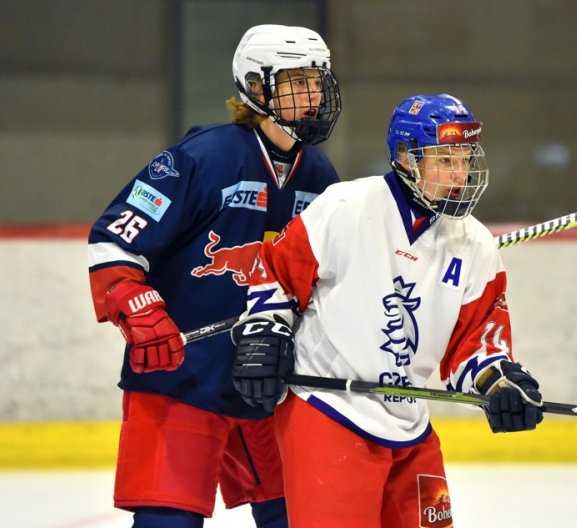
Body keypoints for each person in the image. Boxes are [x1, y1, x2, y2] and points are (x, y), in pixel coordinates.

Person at [231, 93, 544, 527]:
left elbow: (476, 344)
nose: (460, 174)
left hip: (409, 420)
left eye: (465, 158)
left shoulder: (476, 244)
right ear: (404, 157)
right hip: (328, 407)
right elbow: (276, 273)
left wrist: (498, 382)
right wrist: (264, 331)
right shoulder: (346, 207)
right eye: (444, 159)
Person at [87, 24, 341, 528]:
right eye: (295, 82)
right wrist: (138, 309)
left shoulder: (321, 177)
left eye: (317, 81)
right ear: (256, 86)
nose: (312, 95)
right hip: (182, 378)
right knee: (169, 521)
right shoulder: (201, 157)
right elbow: (115, 240)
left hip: (270, 380)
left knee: (297, 516)